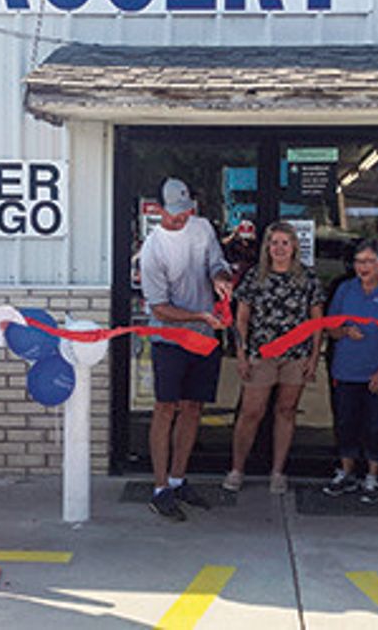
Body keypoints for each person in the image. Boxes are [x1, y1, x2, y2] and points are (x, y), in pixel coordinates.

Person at [139, 177, 233, 521]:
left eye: (185, 211)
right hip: (170, 339)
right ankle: (160, 487)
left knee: (193, 407)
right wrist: (198, 316)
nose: (180, 218)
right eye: (174, 213)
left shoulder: (203, 227)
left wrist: (221, 278)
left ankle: (179, 479)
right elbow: (159, 308)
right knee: (166, 408)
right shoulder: (152, 249)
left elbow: (215, 263)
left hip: (205, 337)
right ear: (159, 209)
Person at [223, 222, 324, 495]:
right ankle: (237, 468)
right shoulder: (255, 276)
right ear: (267, 247)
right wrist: (241, 354)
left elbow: (317, 322)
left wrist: (314, 358)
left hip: (296, 356)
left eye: (285, 243)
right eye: (274, 243)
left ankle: (278, 471)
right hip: (261, 355)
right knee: (251, 412)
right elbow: (241, 319)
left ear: (294, 247)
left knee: (286, 411)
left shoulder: (308, 279)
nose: (279, 248)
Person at [323, 239, 378, 504]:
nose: (363, 267)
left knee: (376, 425)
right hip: (346, 370)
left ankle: (372, 477)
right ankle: (346, 472)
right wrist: (344, 331)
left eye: (369, 261)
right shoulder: (345, 289)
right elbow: (330, 326)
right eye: (359, 261)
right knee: (345, 423)